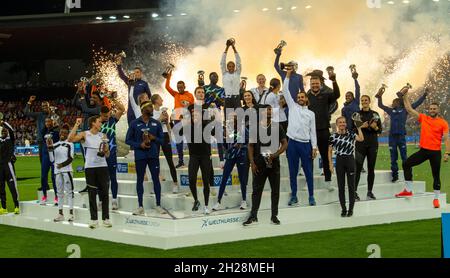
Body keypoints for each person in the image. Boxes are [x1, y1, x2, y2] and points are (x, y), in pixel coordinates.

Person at [395, 87, 449, 208]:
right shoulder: (424, 118)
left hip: (435, 152)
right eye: (430, 108)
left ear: (438, 110)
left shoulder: (443, 123)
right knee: (406, 164)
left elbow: (446, 139)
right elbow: (409, 108)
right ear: (428, 110)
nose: (432, 110)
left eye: (434, 108)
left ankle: (436, 199)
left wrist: (447, 153)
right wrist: (405, 96)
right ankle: (408, 190)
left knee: (436, 175)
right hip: (424, 151)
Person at [243, 105, 288, 226]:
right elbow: (250, 146)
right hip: (259, 163)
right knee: (256, 191)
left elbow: (284, 143)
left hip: (274, 163)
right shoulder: (255, 127)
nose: (269, 111)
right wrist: (252, 163)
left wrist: (275, 154)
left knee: (275, 190)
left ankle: (274, 216)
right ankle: (253, 216)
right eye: (267, 110)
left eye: (270, 110)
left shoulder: (277, 126)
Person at [282, 71, 318, 206]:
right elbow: (285, 90)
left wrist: (314, 147)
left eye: (302, 96)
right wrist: (288, 76)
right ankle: (294, 195)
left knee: (308, 172)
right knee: (293, 171)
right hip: (292, 144)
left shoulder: (311, 114)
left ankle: (311, 196)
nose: (300, 98)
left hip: (305, 145)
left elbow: (313, 132)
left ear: (306, 99)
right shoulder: (292, 107)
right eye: (298, 97)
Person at [68, 116, 112, 229]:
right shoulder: (85, 134)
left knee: (105, 194)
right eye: (99, 121)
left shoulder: (103, 136)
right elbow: (70, 139)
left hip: (102, 166)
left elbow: (108, 155)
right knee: (92, 194)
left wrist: (105, 149)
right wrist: (76, 125)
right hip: (90, 168)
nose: (101, 123)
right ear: (93, 123)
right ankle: (94, 219)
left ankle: (106, 218)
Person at [376, 89, 427, 182]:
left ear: (398, 102)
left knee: (404, 158)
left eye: (394, 102)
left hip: (401, 137)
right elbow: (380, 105)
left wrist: (424, 95)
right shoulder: (391, 111)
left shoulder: (405, 110)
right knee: (393, 158)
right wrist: (379, 97)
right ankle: (395, 176)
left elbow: (416, 104)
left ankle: (408, 176)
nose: (392, 103)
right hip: (392, 138)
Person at [125, 101, 166, 216]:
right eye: (149, 107)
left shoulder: (156, 123)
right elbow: (128, 140)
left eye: (152, 107)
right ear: (143, 109)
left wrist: (154, 138)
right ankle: (140, 206)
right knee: (139, 180)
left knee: (156, 179)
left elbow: (162, 140)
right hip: (140, 156)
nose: (152, 109)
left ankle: (158, 204)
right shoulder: (134, 123)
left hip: (153, 155)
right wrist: (139, 145)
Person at [306, 69, 341, 188]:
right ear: (310, 85)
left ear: (320, 84)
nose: (315, 85)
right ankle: (308, 181)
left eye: (317, 84)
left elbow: (337, 95)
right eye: (313, 84)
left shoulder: (325, 95)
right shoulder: (306, 96)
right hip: (310, 132)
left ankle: (328, 180)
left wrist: (334, 81)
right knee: (308, 157)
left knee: (326, 156)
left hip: (324, 130)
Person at [183, 96, 216, 215]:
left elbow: (216, 132)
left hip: (205, 156)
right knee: (191, 179)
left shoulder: (206, 124)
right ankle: (196, 200)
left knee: (206, 180)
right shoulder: (187, 125)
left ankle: (206, 205)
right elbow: (178, 132)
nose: (194, 116)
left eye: (196, 114)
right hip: (193, 156)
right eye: (192, 114)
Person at [329, 117, 367, 217]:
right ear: (337, 124)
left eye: (344, 122)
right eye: (340, 122)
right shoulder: (333, 136)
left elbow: (361, 139)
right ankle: (343, 209)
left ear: (346, 124)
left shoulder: (351, 134)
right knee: (341, 187)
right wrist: (330, 163)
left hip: (350, 160)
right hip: (339, 161)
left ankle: (351, 209)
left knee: (351, 187)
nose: (342, 124)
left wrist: (359, 128)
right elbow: (329, 150)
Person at [213, 112, 249, 211]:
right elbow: (223, 145)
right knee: (224, 178)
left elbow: (248, 140)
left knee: (242, 179)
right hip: (230, 156)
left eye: (233, 117)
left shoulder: (242, 128)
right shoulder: (225, 129)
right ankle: (218, 201)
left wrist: (240, 145)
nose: (231, 119)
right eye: (229, 117)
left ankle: (244, 200)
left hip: (241, 156)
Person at [354, 95, 382, 201]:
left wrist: (375, 127)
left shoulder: (375, 114)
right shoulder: (357, 115)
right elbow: (354, 129)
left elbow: (379, 130)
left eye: (366, 100)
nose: (364, 102)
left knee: (371, 169)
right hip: (360, 145)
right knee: (357, 169)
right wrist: (362, 126)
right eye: (362, 100)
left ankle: (369, 192)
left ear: (369, 101)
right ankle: (354, 192)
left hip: (372, 145)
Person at [165, 70, 194, 168]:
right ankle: (181, 161)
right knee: (178, 141)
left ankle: (192, 160)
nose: (179, 88)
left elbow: (192, 105)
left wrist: (186, 104)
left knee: (190, 140)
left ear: (184, 87)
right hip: (177, 120)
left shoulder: (189, 95)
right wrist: (169, 77)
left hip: (186, 119)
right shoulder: (176, 94)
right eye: (178, 87)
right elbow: (167, 87)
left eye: (181, 87)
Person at [99, 100, 125, 210]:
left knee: (113, 177)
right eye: (104, 116)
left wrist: (113, 100)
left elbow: (122, 109)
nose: (106, 117)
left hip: (112, 153)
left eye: (107, 115)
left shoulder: (112, 120)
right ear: (100, 114)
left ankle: (114, 200)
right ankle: (101, 200)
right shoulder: (97, 123)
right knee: (101, 179)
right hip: (100, 154)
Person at [150, 94, 179, 193]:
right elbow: (152, 125)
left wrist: (166, 120)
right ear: (156, 101)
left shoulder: (164, 111)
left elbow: (166, 124)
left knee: (170, 160)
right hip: (155, 137)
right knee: (155, 161)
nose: (162, 99)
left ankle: (175, 183)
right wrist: (160, 119)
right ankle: (156, 185)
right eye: (160, 98)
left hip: (165, 135)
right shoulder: (151, 112)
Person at [199, 72, 225, 167]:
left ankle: (221, 160)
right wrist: (200, 85)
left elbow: (223, 103)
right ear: (210, 77)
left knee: (219, 135)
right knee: (206, 135)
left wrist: (216, 97)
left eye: (217, 76)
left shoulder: (221, 89)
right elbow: (200, 98)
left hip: (217, 111)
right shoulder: (205, 88)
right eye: (214, 76)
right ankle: (208, 157)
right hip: (206, 111)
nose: (216, 78)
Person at [49, 124, 75, 222]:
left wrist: (62, 165)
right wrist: (49, 148)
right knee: (59, 193)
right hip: (57, 172)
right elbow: (52, 159)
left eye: (65, 132)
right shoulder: (54, 145)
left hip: (67, 171)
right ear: (59, 133)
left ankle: (71, 214)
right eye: (61, 132)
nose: (62, 134)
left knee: (69, 192)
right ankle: (60, 214)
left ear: (67, 134)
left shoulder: (70, 144)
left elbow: (71, 158)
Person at [116, 56, 152, 125]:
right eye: (135, 72)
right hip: (130, 110)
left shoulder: (144, 83)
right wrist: (118, 65)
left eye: (138, 72)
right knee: (131, 127)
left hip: (140, 109)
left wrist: (147, 108)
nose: (136, 74)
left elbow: (149, 96)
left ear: (141, 73)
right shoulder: (130, 82)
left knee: (141, 128)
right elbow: (121, 75)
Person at [0, 120, 19, 215]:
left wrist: (3, 123)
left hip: (8, 166)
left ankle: (16, 206)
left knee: (12, 187)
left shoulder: (10, 140)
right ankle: (4, 208)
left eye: (5, 131)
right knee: (1, 188)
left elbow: (11, 130)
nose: (3, 132)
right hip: (0, 167)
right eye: (2, 131)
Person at [40, 117, 59, 205]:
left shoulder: (56, 131)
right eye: (46, 121)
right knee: (43, 176)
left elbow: (57, 139)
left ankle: (56, 196)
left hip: (54, 155)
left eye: (49, 121)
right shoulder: (44, 131)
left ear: (52, 122)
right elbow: (43, 134)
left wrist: (54, 126)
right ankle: (44, 196)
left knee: (53, 176)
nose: (47, 123)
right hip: (45, 155)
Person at [221, 39, 242, 110]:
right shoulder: (224, 73)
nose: (231, 68)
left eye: (233, 66)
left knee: (238, 117)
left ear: (235, 67)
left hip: (236, 97)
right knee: (228, 118)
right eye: (229, 66)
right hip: (227, 98)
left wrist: (234, 48)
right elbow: (222, 62)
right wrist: (227, 47)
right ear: (227, 67)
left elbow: (238, 61)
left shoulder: (237, 73)